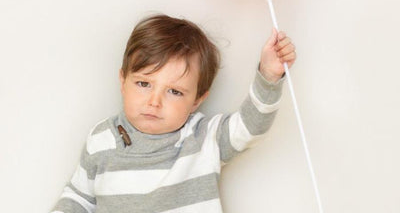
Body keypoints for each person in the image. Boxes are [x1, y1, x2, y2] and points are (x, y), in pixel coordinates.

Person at [51, 14, 296, 213]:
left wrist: (269, 76)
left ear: (197, 100)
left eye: (174, 92)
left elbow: (250, 127)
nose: (154, 101)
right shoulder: (101, 139)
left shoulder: (202, 138)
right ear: (123, 81)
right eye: (143, 84)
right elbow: (79, 199)